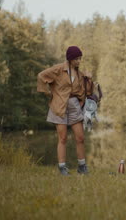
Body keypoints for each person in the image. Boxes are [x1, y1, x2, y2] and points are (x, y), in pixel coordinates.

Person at [37, 46, 90, 175]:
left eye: (80, 58)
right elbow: (41, 76)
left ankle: (82, 167)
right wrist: (49, 93)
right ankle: (62, 168)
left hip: (74, 106)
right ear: (70, 58)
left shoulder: (79, 73)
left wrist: (88, 79)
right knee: (63, 138)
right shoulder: (58, 69)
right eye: (76, 59)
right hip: (59, 106)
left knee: (80, 137)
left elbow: (86, 91)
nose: (79, 61)